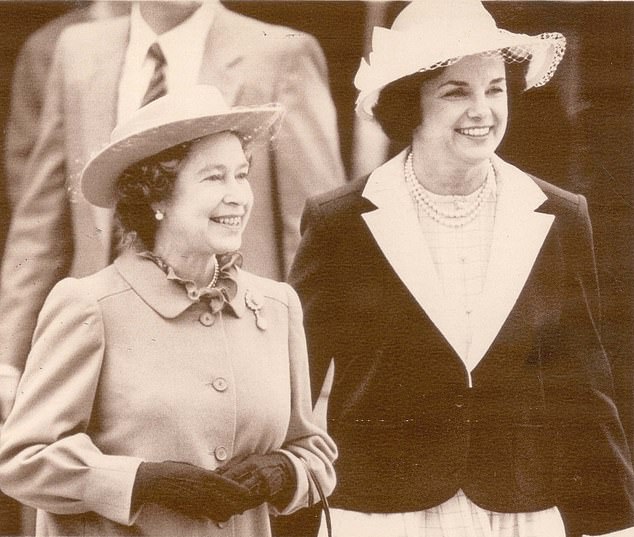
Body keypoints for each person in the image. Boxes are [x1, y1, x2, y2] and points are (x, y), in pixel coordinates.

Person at [288, 1, 634, 536]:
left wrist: (614, 525)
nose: (482, 110)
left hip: (520, 512)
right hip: (382, 513)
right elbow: (296, 386)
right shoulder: (340, 222)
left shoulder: (560, 215)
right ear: (410, 105)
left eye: (495, 88)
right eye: (456, 92)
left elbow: (584, 385)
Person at [0, 85, 336, 537]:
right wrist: (143, 482)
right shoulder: (89, 306)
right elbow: (21, 459)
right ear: (156, 197)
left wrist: (282, 471)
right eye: (214, 178)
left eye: (242, 175)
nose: (238, 195)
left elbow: (313, 450)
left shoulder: (277, 307)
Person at [0, 0, 344, 425]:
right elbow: (41, 225)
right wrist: (8, 360)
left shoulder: (279, 54)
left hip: (230, 356)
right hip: (101, 354)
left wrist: (311, 389)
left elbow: (315, 237)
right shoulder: (77, 50)